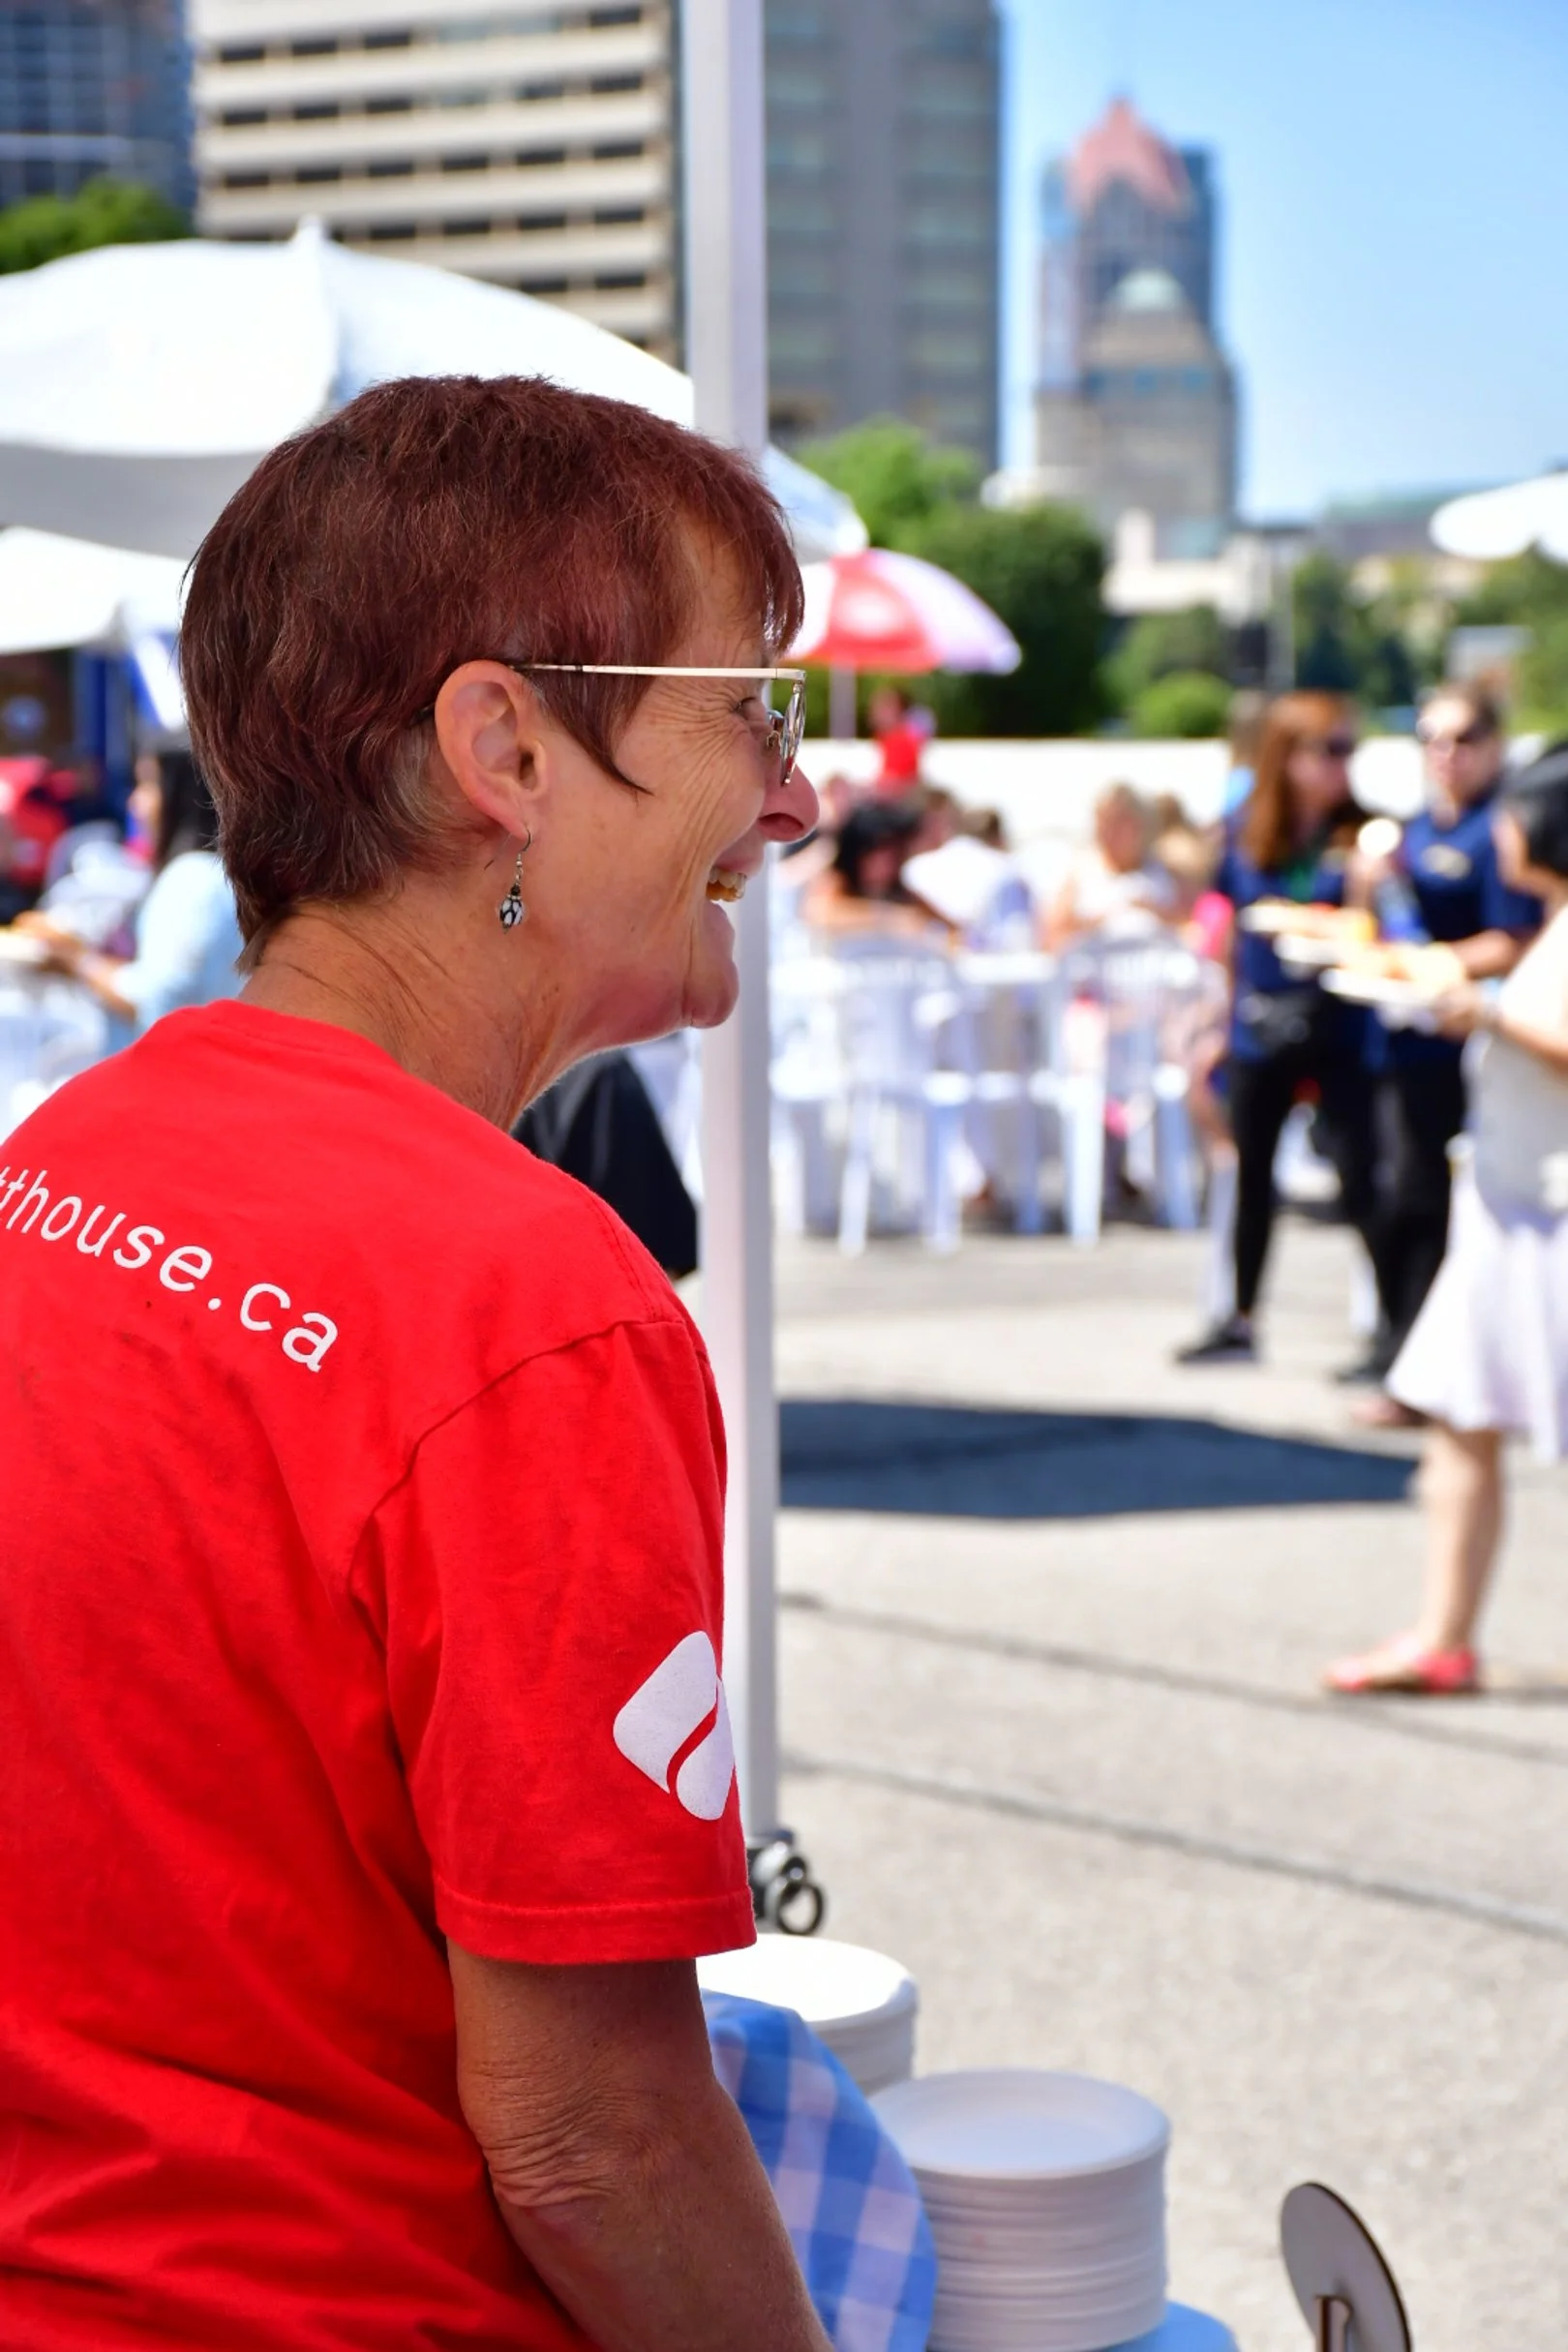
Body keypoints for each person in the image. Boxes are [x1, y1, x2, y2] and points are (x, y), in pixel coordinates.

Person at [0, 376, 830, 2352]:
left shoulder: (61, 1162)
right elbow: (592, 2142)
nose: (793, 798)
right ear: (506, 746)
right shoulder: (528, 1303)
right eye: (751, 710)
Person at [1326, 745, 1568, 1695]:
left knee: (1466, 1423)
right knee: (1459, 1420)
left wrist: (1490, 1015)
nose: (1499, 831)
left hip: (1549, 1211)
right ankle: (1442, 1637)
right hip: (1511, 1207)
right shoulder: (1551, 923)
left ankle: (1442, 1635)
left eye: (1514, 815)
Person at [1177, 691, 1392, 1365]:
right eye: (1329, 750)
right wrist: (1213, 1017)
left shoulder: (1363, 836)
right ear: (1287, 756)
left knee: (1361, 1175)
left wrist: (1363, 895)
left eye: (1348, 751)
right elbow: (1229, 932)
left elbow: (1384, 934)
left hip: (1341, 1022)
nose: (1340, 766)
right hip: (1263, 1021)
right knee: (1250, 1175)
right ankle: (1237, 1316)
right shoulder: (1247, 833)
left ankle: (1390, 1325)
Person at [1347, 682, 1541, 1423]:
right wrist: (1370, 890)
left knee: (1436, 1202)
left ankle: (1428, 1376)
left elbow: (1519, 937)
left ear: (1493, 746)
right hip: (1401, 1035)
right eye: (1433, 739)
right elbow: (1382, 935)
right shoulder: (1413, 831)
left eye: (1462, 740)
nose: (1446, 755)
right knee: (1393, 1194)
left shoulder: (1506, 830)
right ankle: (1406, 1356)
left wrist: (1435, 967)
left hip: (1471, 1041)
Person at [17, 749, 243, 1036]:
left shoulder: (190, 879)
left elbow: (158, 1003)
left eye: (147, 785)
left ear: (180, 795)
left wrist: (75, 958)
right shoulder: (213, 875)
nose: (135, 802)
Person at [1044, 781, 1175, 949]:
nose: (1111, 831)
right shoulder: (1080, 871)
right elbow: (1052, 938)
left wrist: (1152, 910)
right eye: (1105, 822)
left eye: (1121, 822)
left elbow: (1191, 927)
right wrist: (1097, 922)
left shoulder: (1166, 870)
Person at [868, 682, 927, 791]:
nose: (875, 712)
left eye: (883, 707)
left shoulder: (900, 740)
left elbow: (899, 781)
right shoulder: (885, 738)